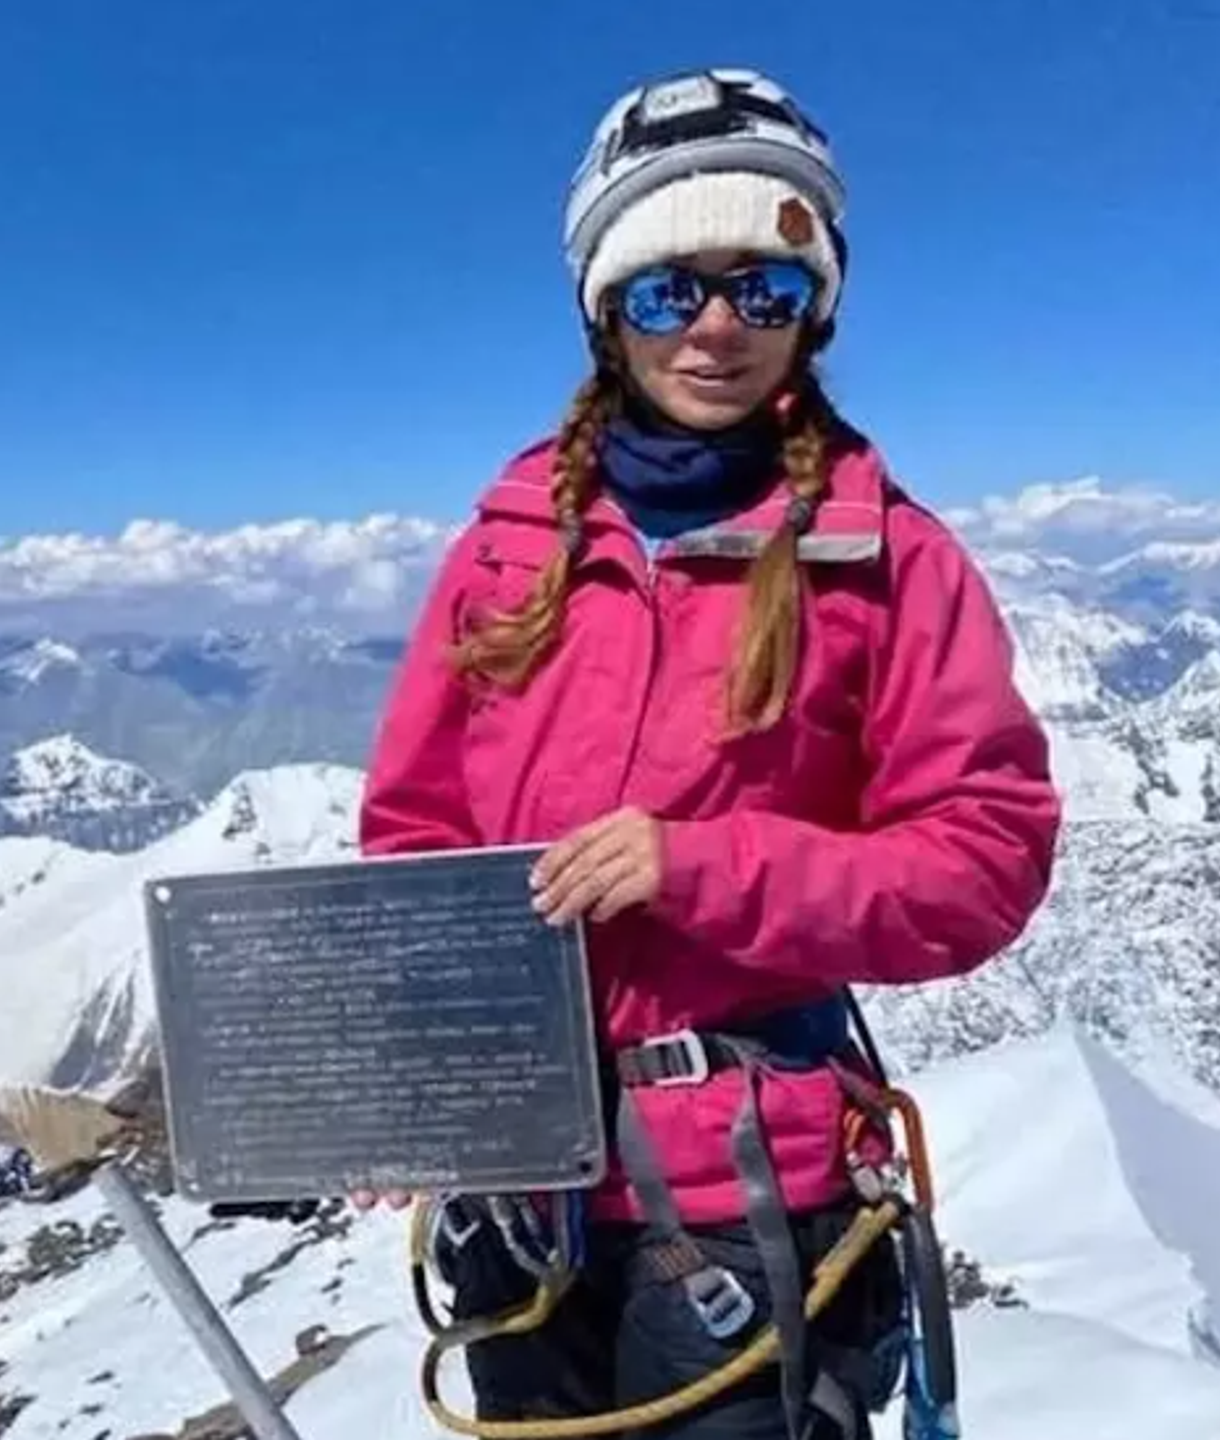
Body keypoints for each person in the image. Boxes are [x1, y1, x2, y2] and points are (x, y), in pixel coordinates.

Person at [352, 67, 1062, 1439]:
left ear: (816, 311)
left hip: (755, 1193)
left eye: (767, 289)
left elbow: (982, 865)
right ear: (607, 310)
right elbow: (416, 840)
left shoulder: (888, 562)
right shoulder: (506, 553)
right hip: (524, 1187)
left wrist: (702, 868)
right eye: (671, 290)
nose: (719, 327)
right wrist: (418, 1071)